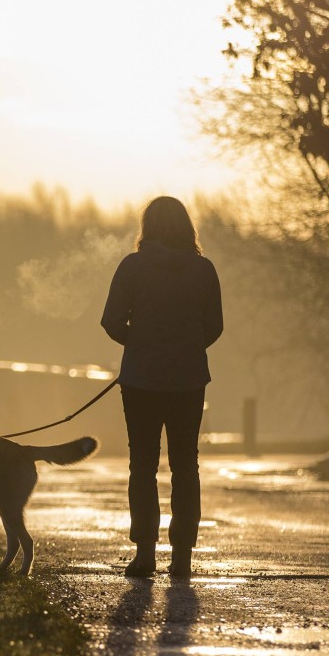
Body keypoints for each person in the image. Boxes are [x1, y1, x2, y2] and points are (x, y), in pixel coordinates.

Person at [101, 196, 223, 578]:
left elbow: (110, 321)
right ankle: (183, 556)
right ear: (187, 227)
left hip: (140, 381)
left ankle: (145, 553)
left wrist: (139, 344)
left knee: (143, 465)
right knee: (186, 465)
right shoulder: (203, 270)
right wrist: (184, 346)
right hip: (188, 380)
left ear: (147, 226)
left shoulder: (132, 267)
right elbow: (215, 326)